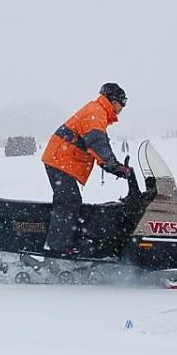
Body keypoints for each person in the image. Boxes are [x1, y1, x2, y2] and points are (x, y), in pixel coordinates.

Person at [41, 83, 132, 253]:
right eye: (123, 101)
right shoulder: (95, 112)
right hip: (59, 159)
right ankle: (57, 247)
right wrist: (113, 165)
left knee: (69, 200)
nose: (123, 107)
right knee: (69, 201)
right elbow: (97, 143)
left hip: (61, 159)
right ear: (113, 101)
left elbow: (97, 147)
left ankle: (64, 242)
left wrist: (110, 164)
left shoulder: (98, 112)